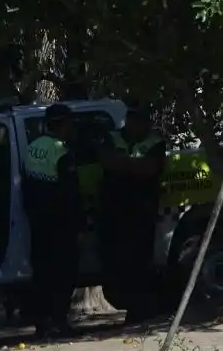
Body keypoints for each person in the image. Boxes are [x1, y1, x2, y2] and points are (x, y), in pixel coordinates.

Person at [98, 100, 166, 323]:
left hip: (142, 212)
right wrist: (134, 166)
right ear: (129, 120)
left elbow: (150, 169)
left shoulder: (155, 142)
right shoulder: (112, 137)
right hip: (114, 212)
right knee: (116, 263)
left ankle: (140, 311)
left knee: (141, 263)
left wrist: (123, 165)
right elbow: (108, 162)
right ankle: (125, 305)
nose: (142, 125)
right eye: (137, 120)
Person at [23, 104, 83, 336]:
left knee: (42, 272)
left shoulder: (32, 148)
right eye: (69, 124)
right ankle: (59, 320)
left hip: (38, 222)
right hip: (60, 222)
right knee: (64, 273)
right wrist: (78, 225)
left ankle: (42, 321)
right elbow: (70, 193)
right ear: (63, 125)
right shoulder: (61, 152)